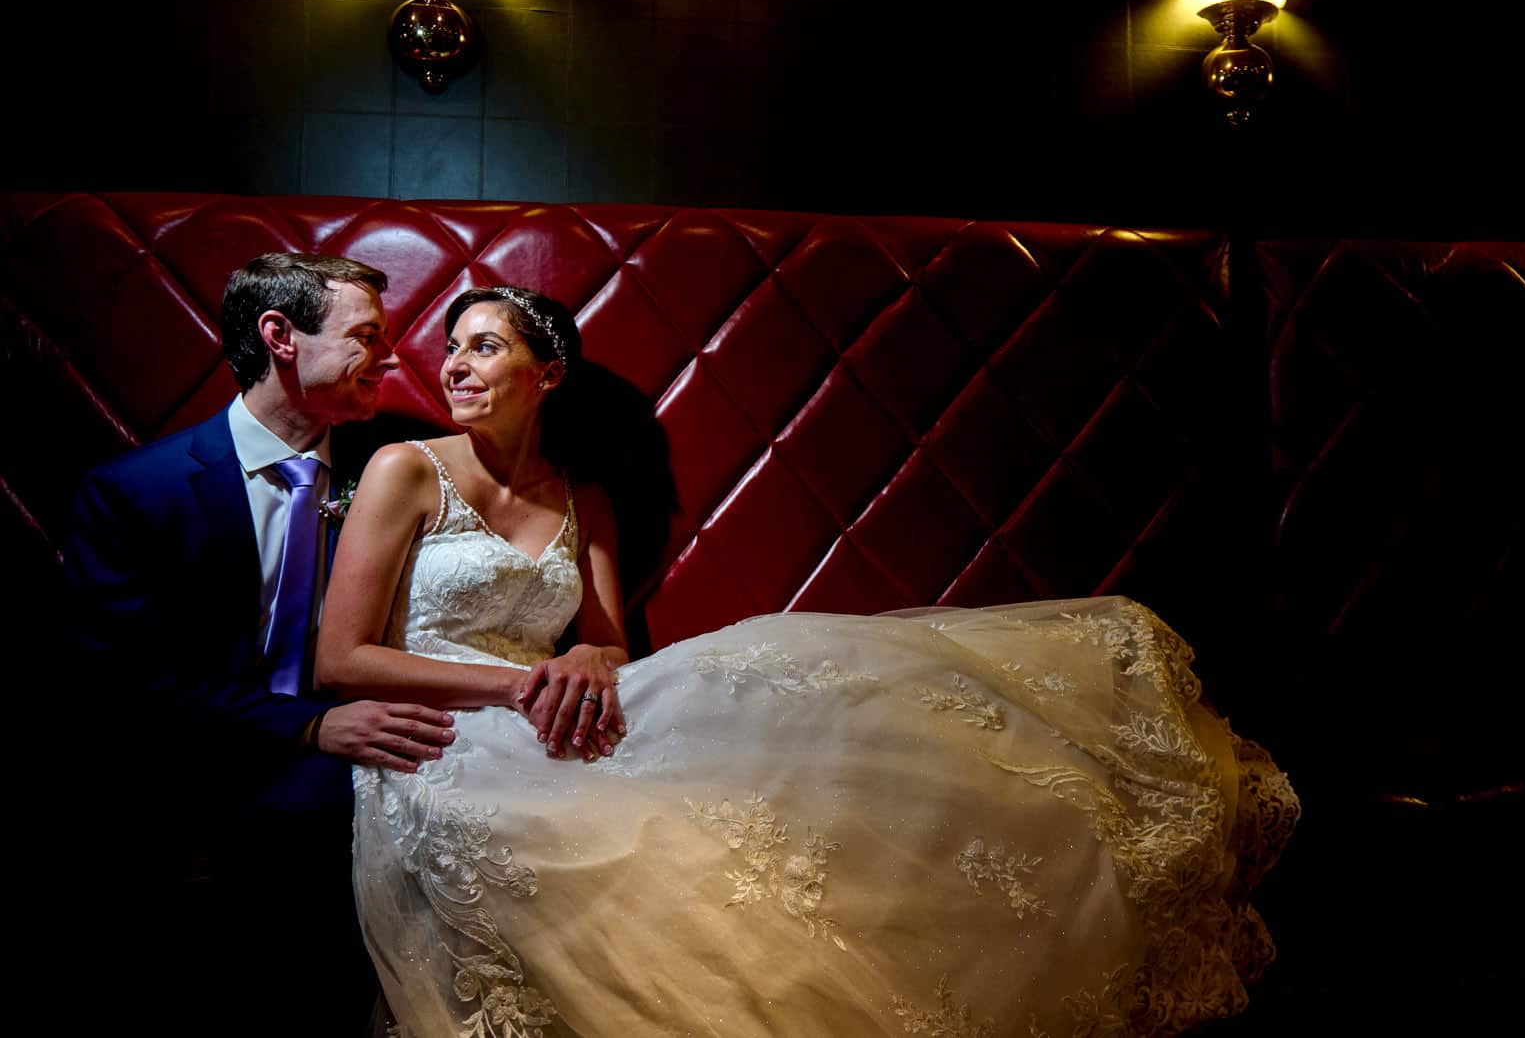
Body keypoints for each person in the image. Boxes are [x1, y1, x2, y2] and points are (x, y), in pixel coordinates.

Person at [319, 285, 1300, 1038]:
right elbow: (340, 654)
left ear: (548, 371)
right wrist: (521, 683)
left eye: (483, 344)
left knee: (804, 717)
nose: (454, 363)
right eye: (451, 347)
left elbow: (613, 637)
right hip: (443, 728)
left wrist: (583, 652)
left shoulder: (588, 496)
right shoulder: (408, 468)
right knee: (617, 845)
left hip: (566, 709)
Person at [61, 253, 462, 1035]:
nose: (391, 357)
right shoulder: (134, 491)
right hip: (188, 770)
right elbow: (118, 681)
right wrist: (307, 726)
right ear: (280, 335)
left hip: (356, 769)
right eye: (367, 336)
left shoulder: (390, 474)